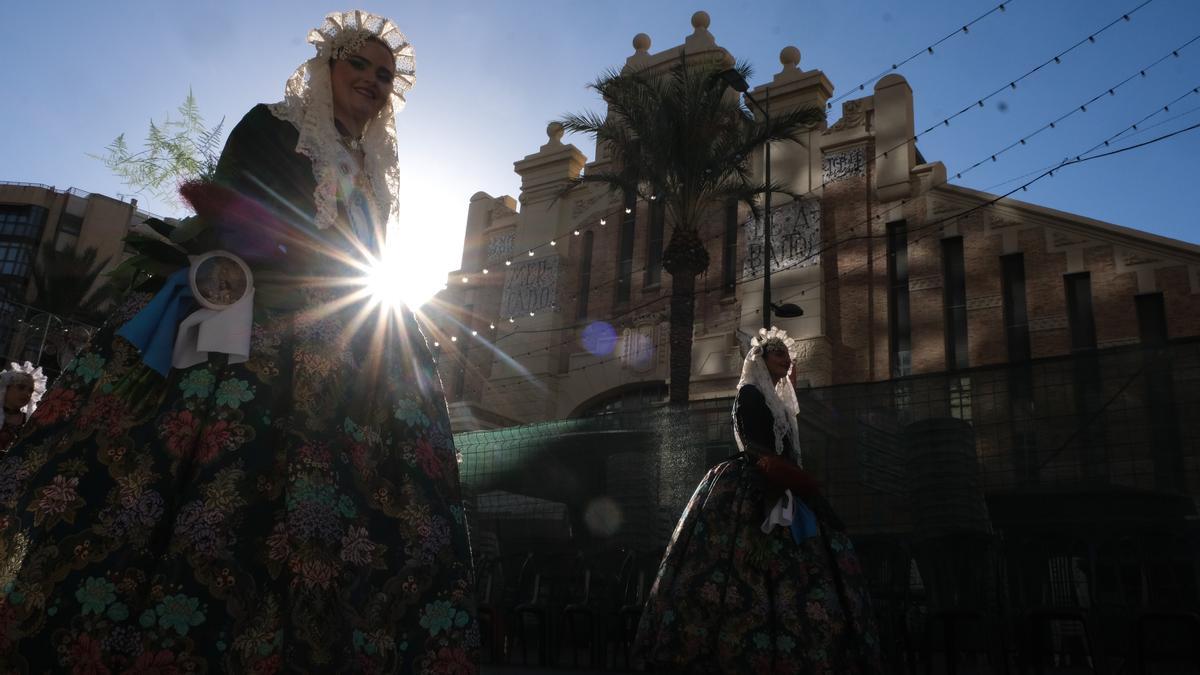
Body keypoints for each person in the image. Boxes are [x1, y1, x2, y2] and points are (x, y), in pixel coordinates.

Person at [0, 11, 478, 673]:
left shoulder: (372, 170)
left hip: (352, 335)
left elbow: (372, 256)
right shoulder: (273, 126)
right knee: (200, 475)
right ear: (326, 67)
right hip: (259, 321)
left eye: (384, 74)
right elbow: (240, 212)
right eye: (358, 64)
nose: (371, 79)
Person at [634, 327, 882, 674]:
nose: (786, 359)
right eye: (778, 353)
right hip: (752, 482)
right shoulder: (750, 394)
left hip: (783, 484)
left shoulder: (778, 402)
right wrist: (777, 477)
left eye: (787, 354)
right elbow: (754, 445)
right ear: (761, 359)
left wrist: (794, 481)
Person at [0, 362, 45, 450]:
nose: (27, 394)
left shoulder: (28, 421)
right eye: (21, 387)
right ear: (6, 388)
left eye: (30, 391)